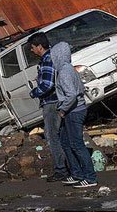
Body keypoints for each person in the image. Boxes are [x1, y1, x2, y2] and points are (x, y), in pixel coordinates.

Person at [51, 42, 98, 188]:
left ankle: (90, 177)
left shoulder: (64, 72)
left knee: (76, 144)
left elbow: (71, 94)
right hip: (75, 109)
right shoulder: (69, 69)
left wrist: (63, 109)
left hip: (73, 111)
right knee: (65, 142)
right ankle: (77, 173)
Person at [28, 32, 68, 182]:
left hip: (51, 102)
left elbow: (48, 84)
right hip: (58, 101)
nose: (32, 50)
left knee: (52, 137)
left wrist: (34, 92)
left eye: (32, 47)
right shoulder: (53, 57)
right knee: (61, 135)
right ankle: (67, 167)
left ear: (39, 46)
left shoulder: (47, 59)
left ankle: (61, 170)